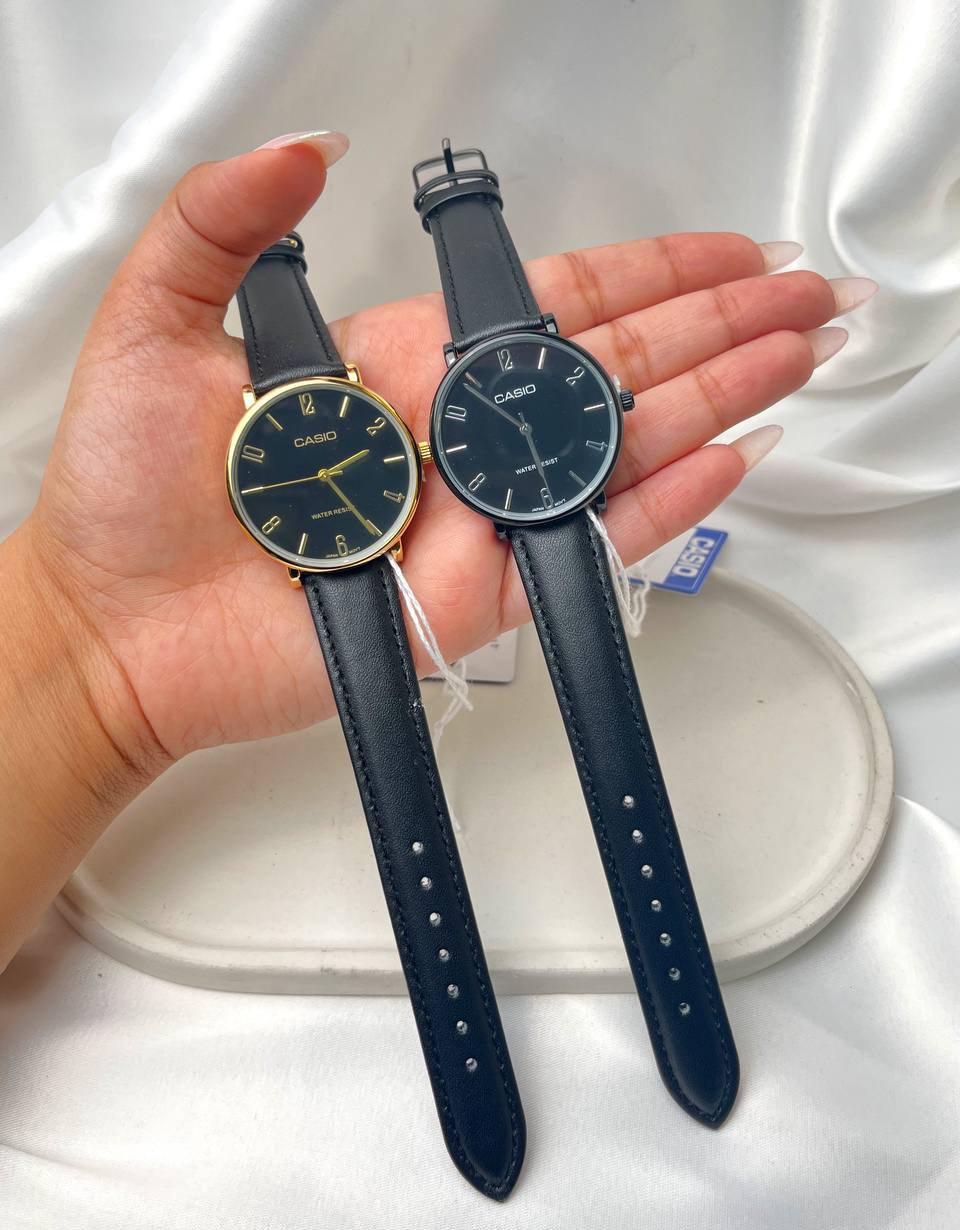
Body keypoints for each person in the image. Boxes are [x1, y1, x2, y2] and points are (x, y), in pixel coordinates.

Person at [0, 130, 876, 970]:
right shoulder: (339, 445)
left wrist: (80, 649)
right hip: (358, 546)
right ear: (429, 449)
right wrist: (76, 625)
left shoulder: (434, 430)